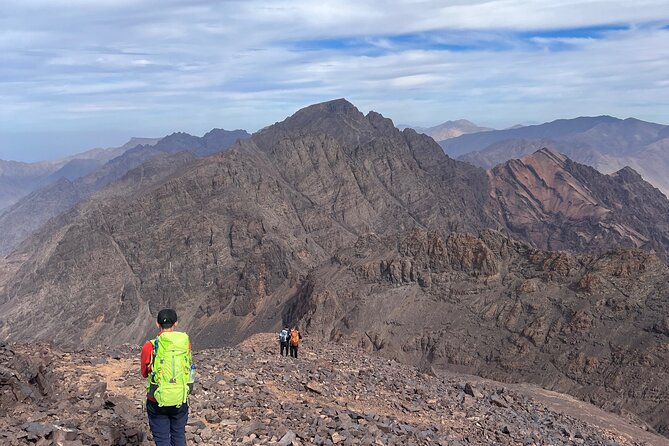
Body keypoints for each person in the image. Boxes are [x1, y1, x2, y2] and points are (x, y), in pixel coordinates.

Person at [140, 309, 193, 446]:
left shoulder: (150, 346)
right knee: (178, 435)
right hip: (180, 397)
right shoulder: (185, 343)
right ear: (176, 324)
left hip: (156, 399)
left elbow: (145, 372)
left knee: (162, 439)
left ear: (157, 324)